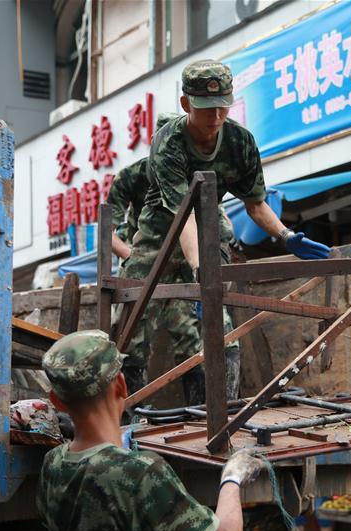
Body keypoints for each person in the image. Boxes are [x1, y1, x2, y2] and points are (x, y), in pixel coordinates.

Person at [124, 58, 331, 406]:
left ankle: (215, 413)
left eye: (222, 107)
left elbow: (255, 203)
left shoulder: (240, 142)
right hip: (160, 231)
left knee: (215, 325)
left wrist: (286, 236)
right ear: (186, 104)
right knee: (131, 315)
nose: (216, 117)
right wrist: (199, 269)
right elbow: (182, 213)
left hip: (207, 228)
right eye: (206, 109)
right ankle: (125, 417)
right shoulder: (168, 141)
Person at [36, 330, 263, 531]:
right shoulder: (140, 473)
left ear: (56, 401)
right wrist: (232, 478)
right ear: (121, 384)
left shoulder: (52, 465)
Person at [106, 113, 240, 401]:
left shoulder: (196, 176)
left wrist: (211, 264)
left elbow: (220, 228)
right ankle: (128, 414)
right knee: (130, 334)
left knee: (199, 331)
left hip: (188, 263)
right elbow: (107, 234)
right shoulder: (132, 176)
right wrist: (135, 258)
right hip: (145, 260)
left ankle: (209, 410)